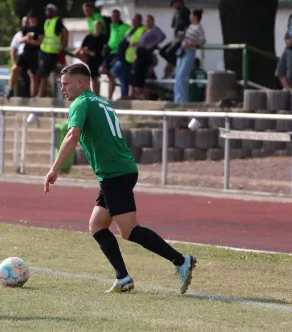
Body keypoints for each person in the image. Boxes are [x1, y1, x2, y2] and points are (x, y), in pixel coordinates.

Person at [44, 63, 197, 294]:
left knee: (129, 230)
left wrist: (54, 168)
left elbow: (72, 134)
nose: (62, 89)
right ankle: (123, 277)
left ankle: (181, 261)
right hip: (119, 170)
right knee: (97, 226)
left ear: (81, 83)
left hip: (114, 173)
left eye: (65, 84)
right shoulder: (102, 101)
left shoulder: (80, 102)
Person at [6, 11, 43, 99]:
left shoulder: (39, 29)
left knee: (33, 76)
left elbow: (40, 42)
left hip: (33, 54)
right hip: (25, 53)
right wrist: (27, 38)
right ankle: (10, 89)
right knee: (15, 69)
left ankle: (33, 97)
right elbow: (20, 40)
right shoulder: (26, 30)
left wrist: (30, 40)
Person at [174, 9, 205, 103]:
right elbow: (182, 36)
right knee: (178, 75)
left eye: (192, 16)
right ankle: (177, 98)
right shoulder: (190, 26)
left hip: (189, 51)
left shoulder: (199, 28)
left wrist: (190, 45)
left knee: (182, 75)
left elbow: (201, 42)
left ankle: (183, 99)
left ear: (195, 17)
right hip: (182, 50)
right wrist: (181, 34)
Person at [111, 14, 145, 99]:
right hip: (123, 56)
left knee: (116, 71)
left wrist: (133, 44)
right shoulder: (130, 30)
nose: (133, 22)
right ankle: (125, 95)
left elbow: (140, 42)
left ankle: (127, 93)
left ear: (139, 21)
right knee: (123, 77)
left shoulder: (142, 30)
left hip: (131, 58)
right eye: (132, 20)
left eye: (135, 20)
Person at [38, 3, 69, 98]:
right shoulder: (46, 21)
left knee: (46, 75)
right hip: (45, 51)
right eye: (47, 10)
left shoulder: (57, 21)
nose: (47, 12)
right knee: (46, 74)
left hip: (53, 52)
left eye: (50, 10)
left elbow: (65, 32)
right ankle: (49, 95)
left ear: (54, 11)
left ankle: (40, 96)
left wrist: (63, 46)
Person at [132, 15, 166, 99]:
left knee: (141, 73)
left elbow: (162, 37)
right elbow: (143, 42)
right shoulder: (145, 30)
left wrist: (152, 45)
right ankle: (139, 92)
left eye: (148, 21)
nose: (146, 22)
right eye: (145, 21)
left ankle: (143, 92)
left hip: (146, 54)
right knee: (137, 73)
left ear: (152, 21)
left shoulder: (155, 30)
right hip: (140, 53)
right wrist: (137, 44)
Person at [100, 9, 129, 100]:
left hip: (118, 53)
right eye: (113, 16)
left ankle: (111, 96)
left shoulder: (125, 27)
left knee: (113, 73)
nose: (114, 18)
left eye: (116, 16)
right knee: (102, 70)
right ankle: (110, 95)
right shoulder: (111, 25)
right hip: (109, 52)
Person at [74, 19, 108, 95]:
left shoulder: (104, 37)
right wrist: (89, 52)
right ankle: (95, 94)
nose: (97, 28)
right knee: (94, 78)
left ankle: (98, 94)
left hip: (101, 59)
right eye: (96, 27)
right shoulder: (89, 37)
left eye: (99, 27)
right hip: (92, 59)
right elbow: (81, 47)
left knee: (98, 77)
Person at [160, 0, 191, 79]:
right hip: (176, 38)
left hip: (182, 38)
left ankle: (176, 66)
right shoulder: (176, 13)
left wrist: (182, 38)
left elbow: (185, 27)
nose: (175, 5)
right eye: (174, 3)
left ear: (181, 3)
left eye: (177, 3)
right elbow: (174, 27)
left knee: (168, 52)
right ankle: (175, 64)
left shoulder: (185, 12)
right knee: (162, 51)